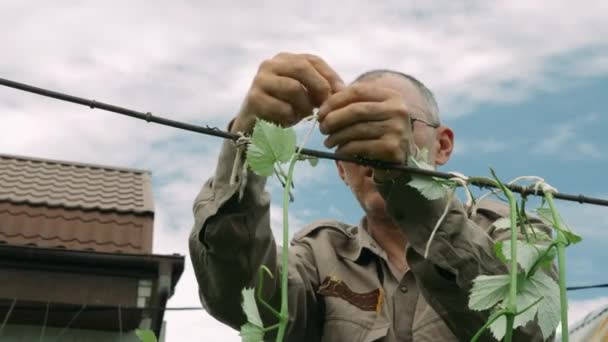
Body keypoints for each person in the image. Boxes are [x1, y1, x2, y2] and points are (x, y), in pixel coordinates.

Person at [189, 52, 548, 341]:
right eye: (352, 135)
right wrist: (246, 145)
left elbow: (528, 331)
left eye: (398, 124)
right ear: (341, 169)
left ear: (443, 145)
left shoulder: (510, 232)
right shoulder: (318, 255)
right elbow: (238, 298)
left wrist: (412, 187)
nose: (373, 150)